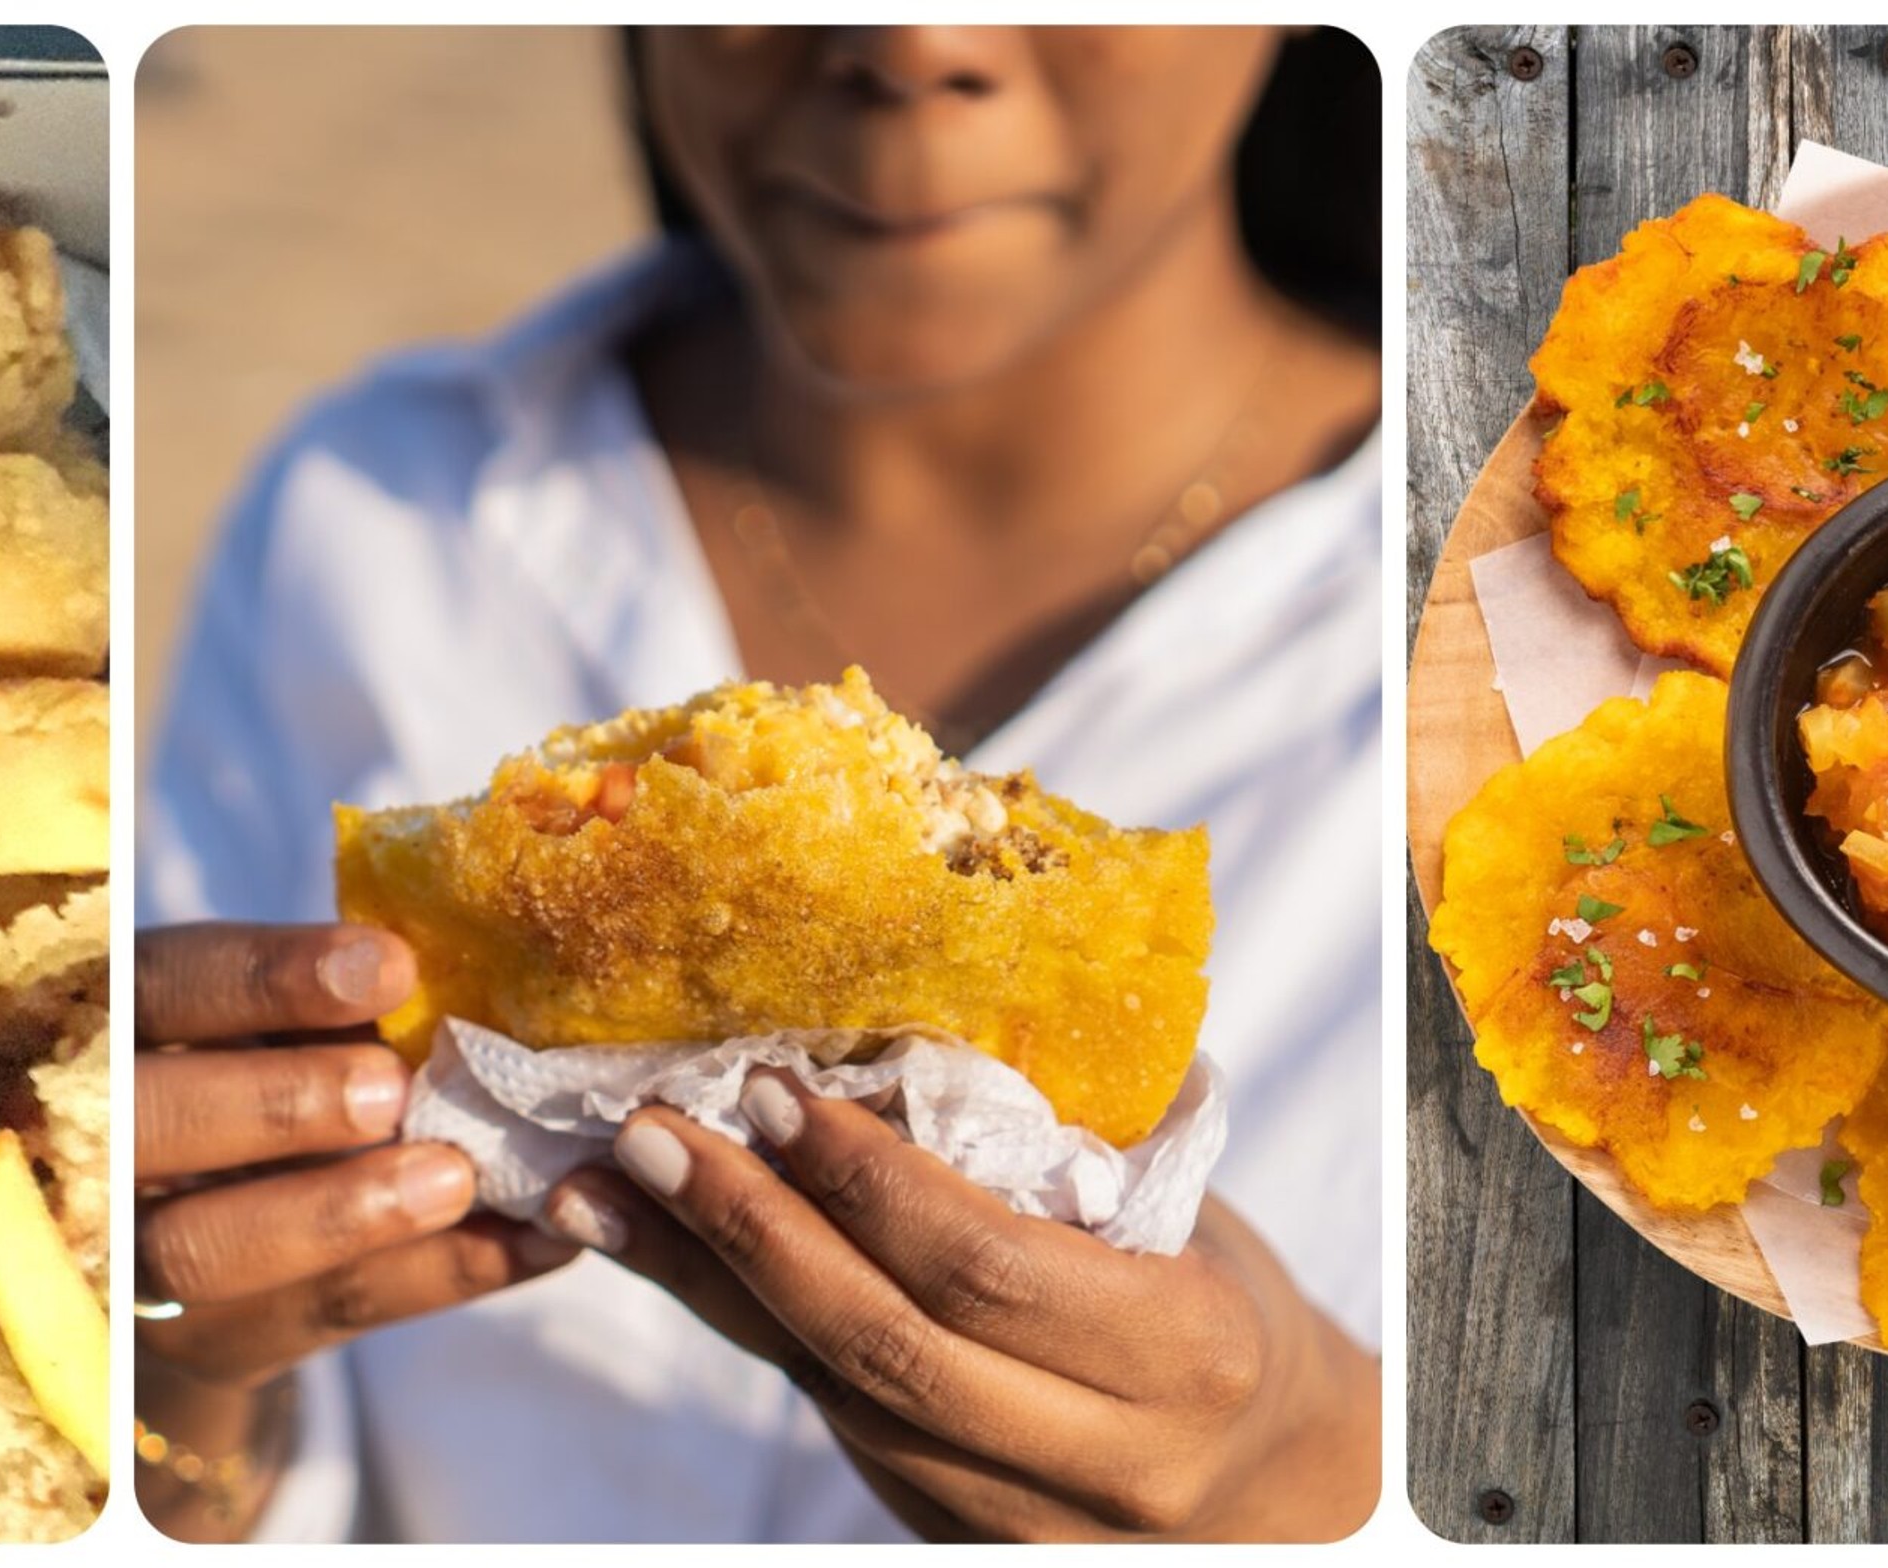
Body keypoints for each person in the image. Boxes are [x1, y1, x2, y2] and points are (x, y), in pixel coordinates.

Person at [137, 25, 1383, 1542]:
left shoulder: (1523, 662)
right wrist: (172, 1382)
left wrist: (1326, 1477)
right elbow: (210, 1458)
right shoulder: (376, 521)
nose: (912, 44)